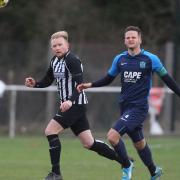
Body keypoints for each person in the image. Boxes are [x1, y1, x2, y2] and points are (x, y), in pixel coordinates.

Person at [77, 26, 180, 180]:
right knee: (139, 144)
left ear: (140, 39)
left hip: (139, 108)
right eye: (128, 37)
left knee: (112, 136)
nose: (130, 39)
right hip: (124, 107)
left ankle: (126, 164)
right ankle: (154, 171)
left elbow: (168, 80)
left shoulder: (151, 59)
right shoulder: (120, 59)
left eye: (133, 37)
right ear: (125, 41)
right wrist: (90, 85)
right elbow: (108, 79)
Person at [25, 31, 130, 180]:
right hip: (71, 106)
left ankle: (56, 173)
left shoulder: (72, 60)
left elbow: (79, 84)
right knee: (89, 143)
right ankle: (125, 161)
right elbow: (48, 80)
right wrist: (35, 84)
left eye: (60, 44)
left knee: (50, 131)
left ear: (67, 45)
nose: (57, 48)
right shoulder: (54, 61)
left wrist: (70, 100)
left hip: (75, 105)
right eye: (54, 46)